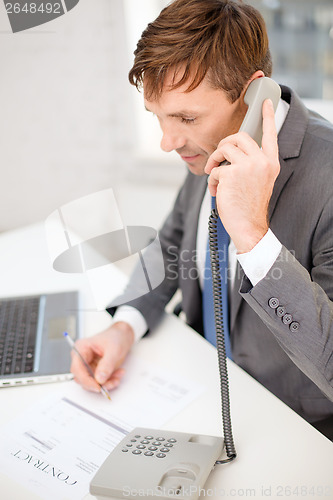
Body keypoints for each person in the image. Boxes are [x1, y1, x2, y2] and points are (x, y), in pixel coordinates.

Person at [71, 0, 333, 439]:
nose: (167, 141)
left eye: (186, 118)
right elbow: (174, 240)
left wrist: (252, 234)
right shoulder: (208, 144)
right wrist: (126, 323)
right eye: (158, 116)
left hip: (292, 428)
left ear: (254, 97)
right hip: (200, 392)